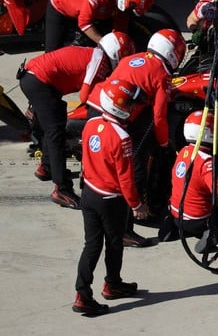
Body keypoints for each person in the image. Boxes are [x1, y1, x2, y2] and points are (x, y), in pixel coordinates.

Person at [87, 28, 187, 247]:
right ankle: (126, 227)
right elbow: (159, 117)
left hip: (97, 104)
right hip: (116, 113)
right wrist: (163, 144)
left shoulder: (134, 57)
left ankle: (98, 203)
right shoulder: (162, 75)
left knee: (99, 162)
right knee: (134, 169)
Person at [20, 31, 134, 208]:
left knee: (54, 122)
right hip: (39, 81)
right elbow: (84, 96)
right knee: (56, 133)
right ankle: (61, 189)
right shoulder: (99, 61)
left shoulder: (95, 54)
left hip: (36, 77)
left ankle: (47, 168)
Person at [73, 78, 150, 316]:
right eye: (130, 104)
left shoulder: (90, 124)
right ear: (120, 107)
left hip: (88, 194)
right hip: (110, 201)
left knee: (92, 245)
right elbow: (126, 179)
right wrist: (136, 205)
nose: (133, 108)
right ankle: (112, 284)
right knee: (114, 244)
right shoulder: (122, 138)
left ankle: (82, 294)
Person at [170, 110, 218, 250]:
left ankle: (171, 228)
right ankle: (212, 237)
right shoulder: (205, 160)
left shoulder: (183, 152)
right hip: (198, 220)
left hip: (177, 215)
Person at [44, 0, 153, 52]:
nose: (128, 14)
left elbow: (120, 31)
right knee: (51, 53)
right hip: (59, 6)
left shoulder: (124, 7)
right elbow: (84, 23)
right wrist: (105, 43)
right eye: (129, 11)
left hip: (88, 14)